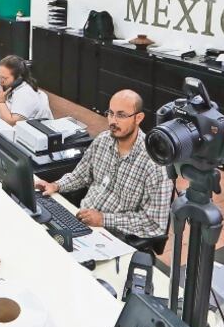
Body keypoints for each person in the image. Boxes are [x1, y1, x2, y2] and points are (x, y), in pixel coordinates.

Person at [34, 89, 171, 239]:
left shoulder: (155, 164)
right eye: (110, 113)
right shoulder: (103, 140)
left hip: (114, 236)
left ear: (138, 118)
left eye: (121, 115)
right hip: (81, 221)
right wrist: (56, 185)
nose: (113, 121)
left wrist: (104, 220)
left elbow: (155, 224)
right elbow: (80, 176)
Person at [0, 55, 52, 126]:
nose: (0, 81)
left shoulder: (26, 93)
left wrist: (0, 102)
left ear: (18, 78)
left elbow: (12, 123)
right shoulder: (2, 85)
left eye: (4, 78)